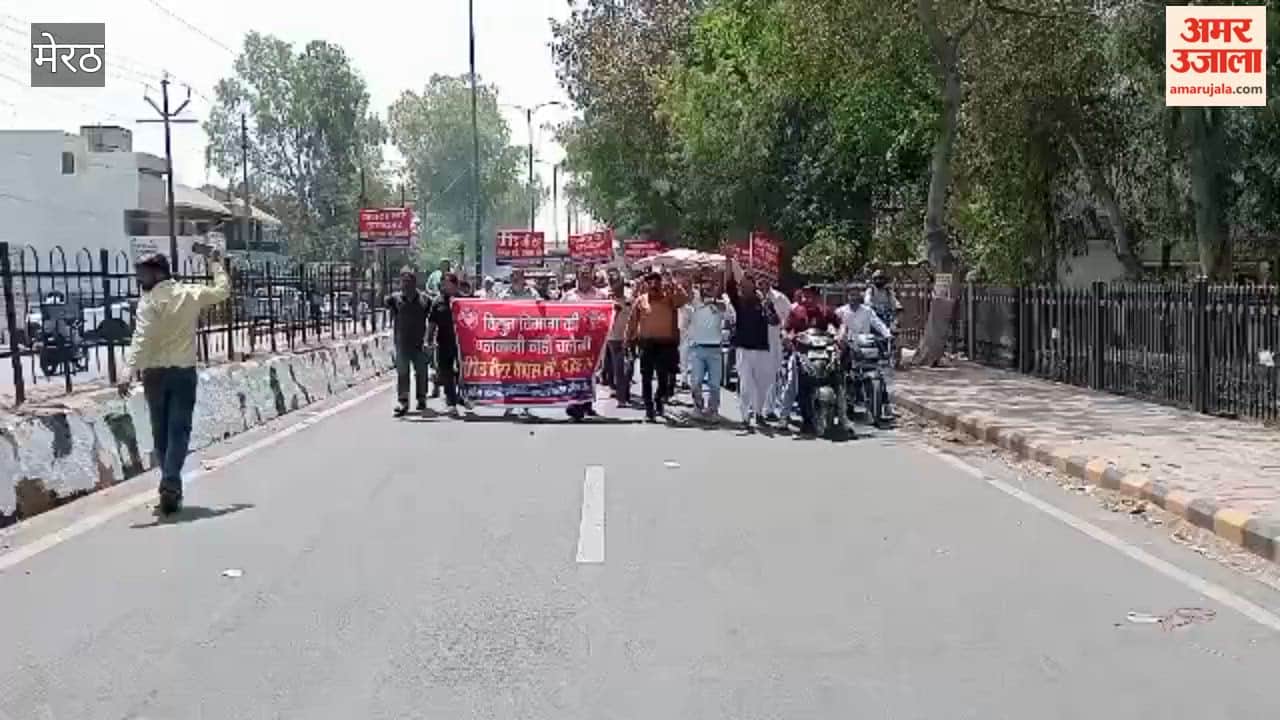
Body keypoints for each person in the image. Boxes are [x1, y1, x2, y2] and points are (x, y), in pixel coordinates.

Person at [118, 247, 230, 515]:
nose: (139, 279)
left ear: (158, 273)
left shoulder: (149, 303)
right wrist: (216, 265)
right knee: (179, 430)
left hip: (155, 375)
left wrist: (127, 372)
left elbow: (141, 338)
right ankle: (170, 481)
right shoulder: (190, 294)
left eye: (143, 274)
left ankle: (170, 481)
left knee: (161, 432)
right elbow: (222, 290)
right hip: (183, 373)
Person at [724, 257, 779, 430]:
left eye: (749, 284)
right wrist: (728, 261)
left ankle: (759, 413)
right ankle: (745, 416)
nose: (745, 287)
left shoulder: (764, 302)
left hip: (762, 349)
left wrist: (767, 308)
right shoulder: (738, 301)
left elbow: (775, 321)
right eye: (743, 285)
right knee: (746, 384)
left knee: (762, 385)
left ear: (754, 286)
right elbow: (728, 283)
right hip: (744, 349)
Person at [627, 270, 689, 422]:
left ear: (661, 283)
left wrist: (674, 285)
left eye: (656, 281)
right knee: (646, 377)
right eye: (650, 282)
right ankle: (649, 409)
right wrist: (628, 340)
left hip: (665, 344)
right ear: (646, 284)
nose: (653, 284)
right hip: (646, 344)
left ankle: (658, 399)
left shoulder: (669, 298)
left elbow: (683, 300)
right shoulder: (641, 300)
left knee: (663, 379)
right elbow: (632, 322)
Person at [784, 285, 841, 434]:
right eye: (804, 296)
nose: (807, 299)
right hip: (802, 353)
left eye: (810, 296)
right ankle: (787, 417)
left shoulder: (825, 311)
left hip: (823, 352)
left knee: (839, 375)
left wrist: (840, 335)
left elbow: (840, 325)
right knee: (794, 383)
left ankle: (843, 414)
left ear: (817, 298)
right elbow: (787, 329)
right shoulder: (796, 311)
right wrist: (788, 338)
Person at [385, 267, 432, 417]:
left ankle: (421, 398)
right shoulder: (395, 299)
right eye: (403, 281)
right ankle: (403, 401)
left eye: (409, 281)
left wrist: (430, 339)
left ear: (414, 283)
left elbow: (431, 320)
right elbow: (386, 304)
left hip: (420, 342)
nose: (406, 285)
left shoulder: (425, 299)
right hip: (402, 343)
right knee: (403, 373)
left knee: (421, 372)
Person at [686, 274, 732, 421]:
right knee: (696, 382)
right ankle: (698, 408)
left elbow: (727, 310)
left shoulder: (721, 303)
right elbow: (686, 295)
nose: (707, 289)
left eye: (710, 286)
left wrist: (712, 301)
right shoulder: (694, 302)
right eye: (704, 286)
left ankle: (713, 410)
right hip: (698, 348)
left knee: (714, 384)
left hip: (714, 349)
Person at [562, 267, 605, 421]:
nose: (585, 278)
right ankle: (575, 404)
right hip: (575, 340)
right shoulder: (569, 296)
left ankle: (586, 403)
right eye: (582, 275)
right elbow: (559, 314)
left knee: (591, 372)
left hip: (593, 340)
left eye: (588, 275)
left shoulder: (600, 296)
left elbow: (606, 315)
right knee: (575, 371)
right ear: (577, 277)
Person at [426, 273, 464, 416]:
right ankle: (451, 402)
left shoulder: (463, 300)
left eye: (447, 284)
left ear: (455, 285)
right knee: (446, 372)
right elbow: (432, 322)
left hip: (461, 343)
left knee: (461, 372)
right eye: (443, 284)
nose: (445, 286)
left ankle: (461, 395)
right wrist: (428, 340)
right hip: (443, 342)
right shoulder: (438, 302)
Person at [764, 278, 792, 421]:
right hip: (754, 343)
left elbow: (787, 320)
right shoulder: (749, 296)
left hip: (773, 342)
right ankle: (754, 407)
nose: (761, 283)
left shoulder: (780, 298)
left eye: (764, 279)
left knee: (772, 376)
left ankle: (768, 410)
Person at [605, 273, 634, 407]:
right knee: (618, 369)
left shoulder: (630, 299)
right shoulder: (607, 300)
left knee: (628, 367)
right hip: (612, 339)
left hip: (628, 338)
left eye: (618, 283)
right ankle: (621, 396)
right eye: (613, 284)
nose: (616, 287)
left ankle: (623, 392)